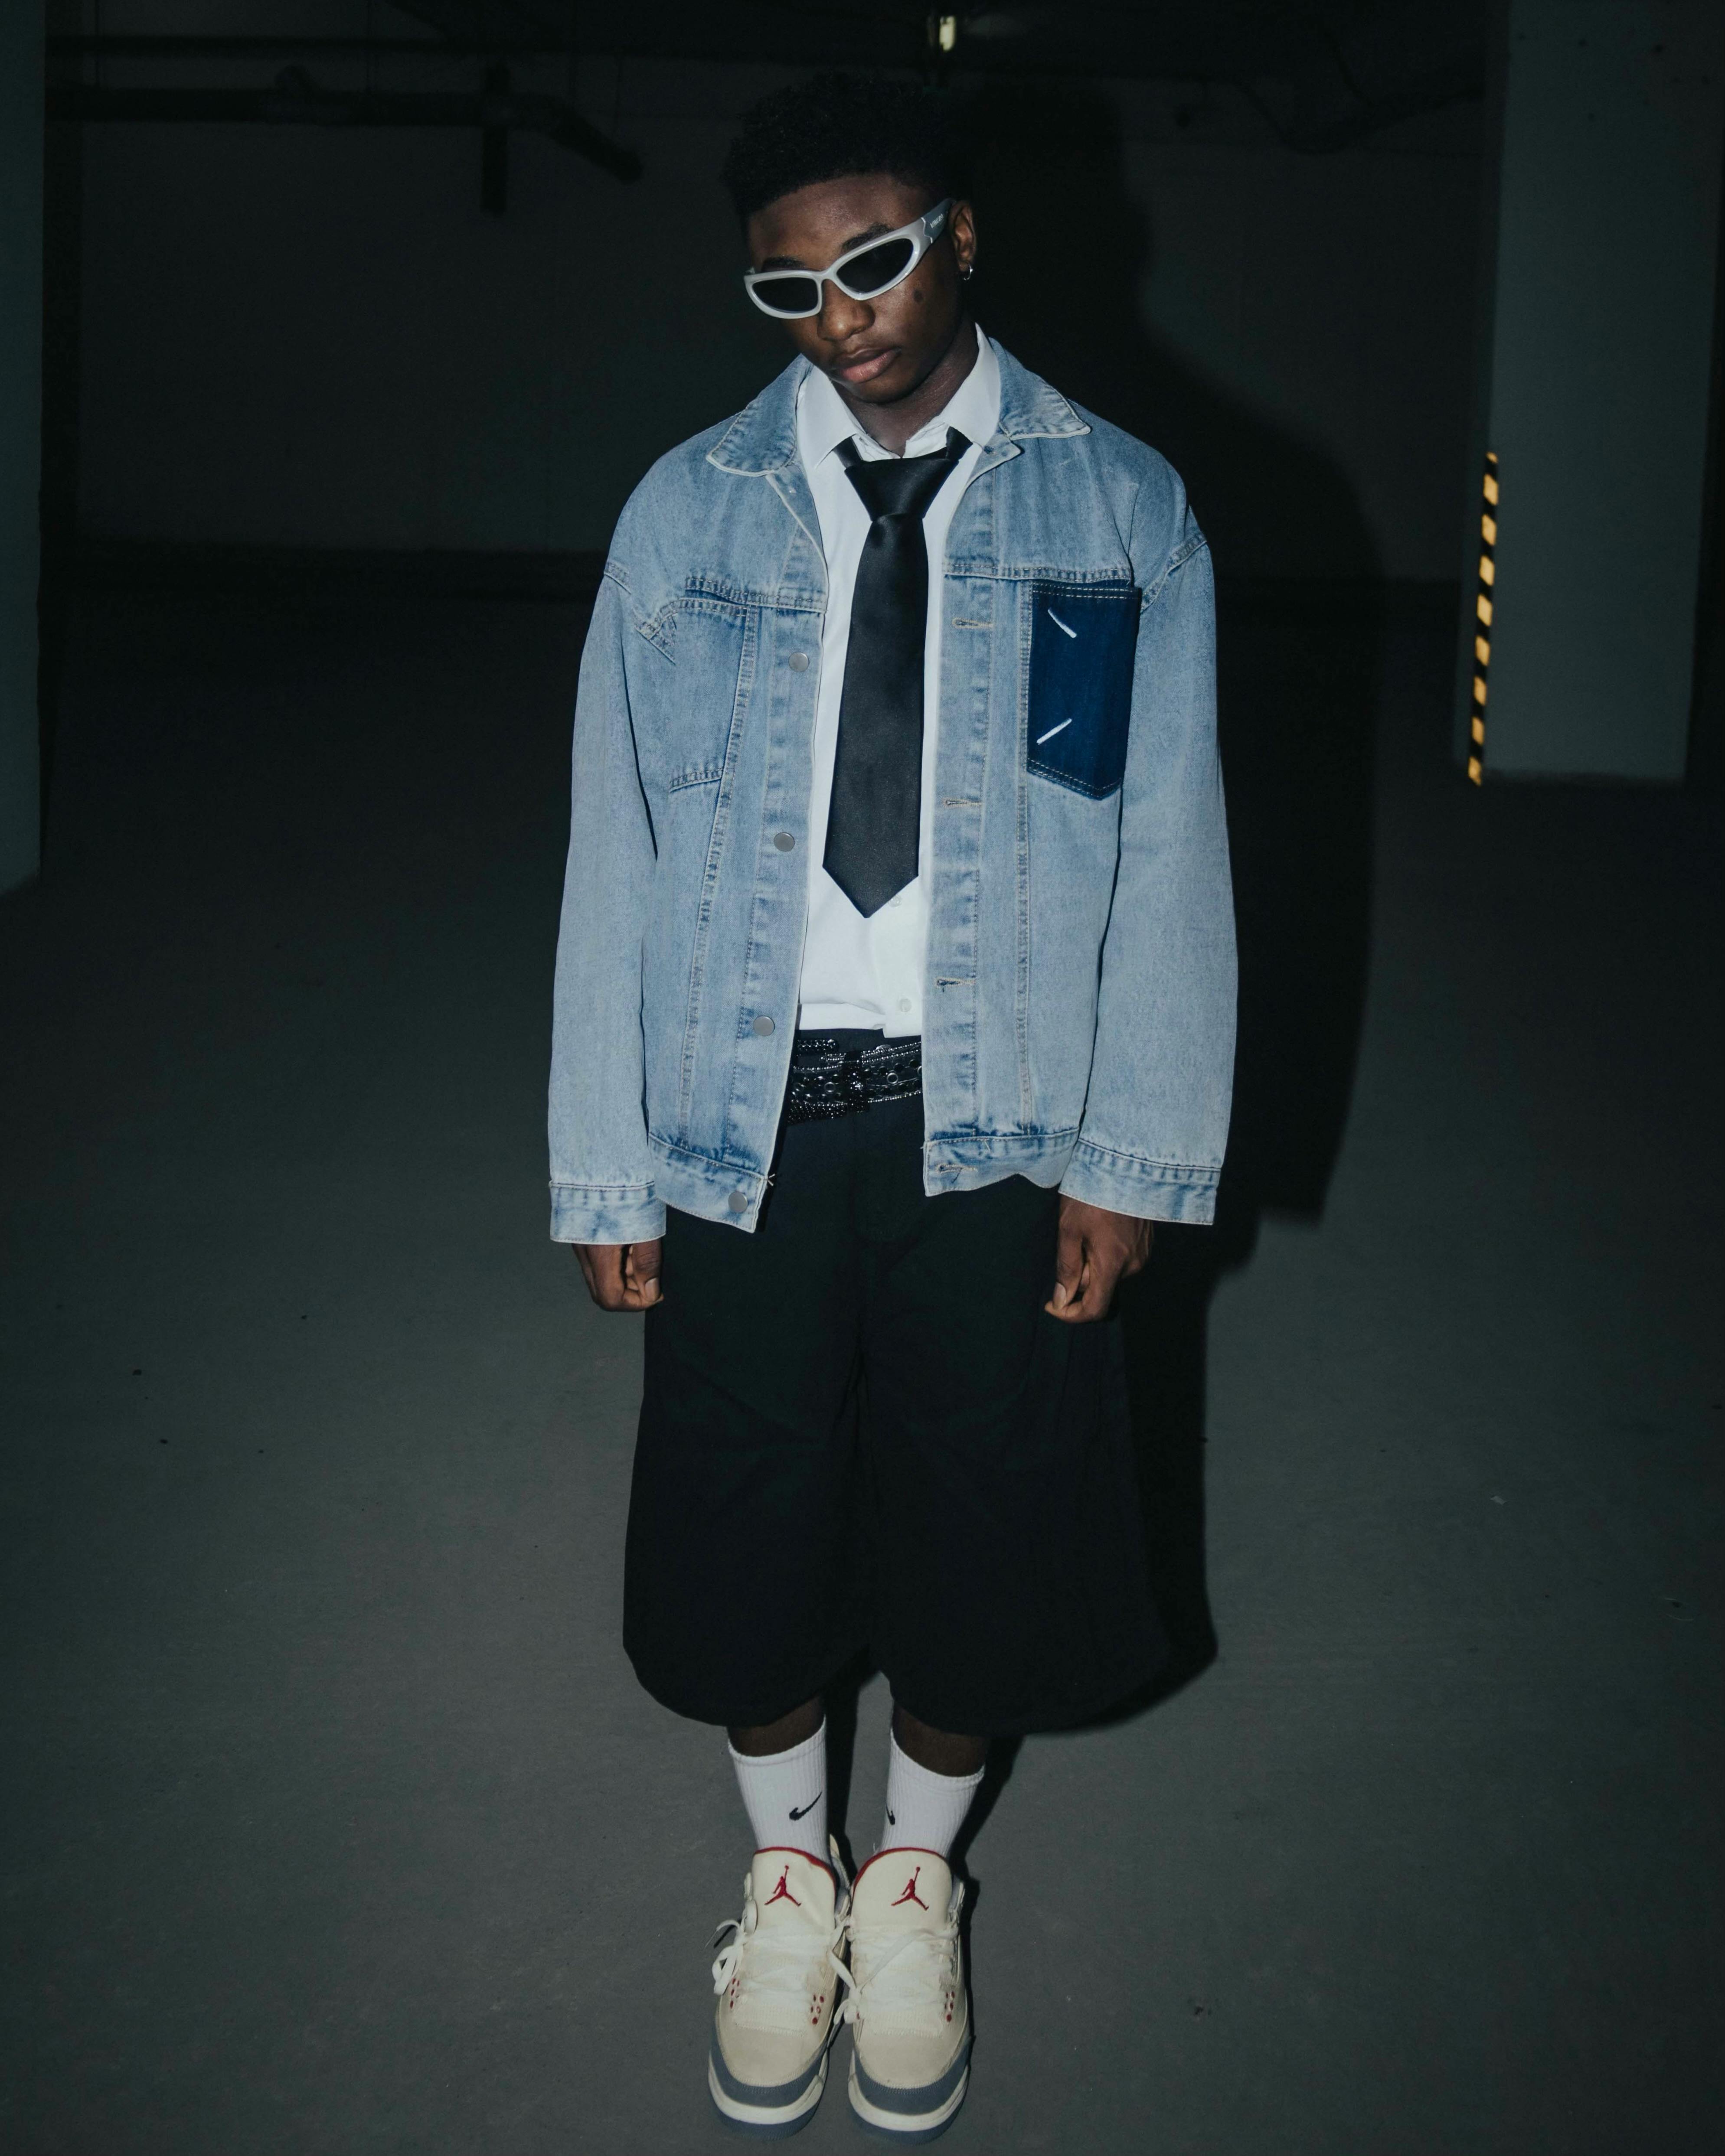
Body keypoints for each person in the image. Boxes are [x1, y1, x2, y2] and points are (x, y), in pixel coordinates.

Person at [549, 72, 1235, 2141]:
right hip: (741, 1111)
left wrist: (1132, 1154)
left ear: (962, 238)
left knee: (987, 1513)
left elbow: (1167, 848)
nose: (836, 313)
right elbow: (614, 849)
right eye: (788, 284)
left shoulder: (1121, 508)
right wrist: (604, 1157)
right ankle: (789, 1873)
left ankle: (911, 1879)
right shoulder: (683, 512)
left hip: (998, 1112)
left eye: (870, 260)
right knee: (742, 1511)